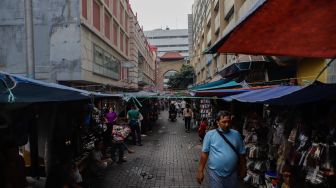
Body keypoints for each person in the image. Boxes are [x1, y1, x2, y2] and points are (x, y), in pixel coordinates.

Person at [197, 111, 247, 188]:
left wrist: (244, 168)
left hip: (233, 173)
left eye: (229, 121)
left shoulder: (236, 134)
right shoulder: (210, 135)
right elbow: (204, 154)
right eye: (224, 122)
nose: (227, 124)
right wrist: (200, 171)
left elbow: (241, 153)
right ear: (218, 122)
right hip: (215, 173)